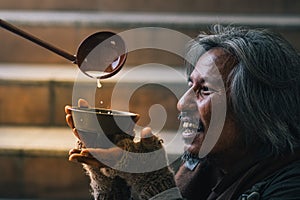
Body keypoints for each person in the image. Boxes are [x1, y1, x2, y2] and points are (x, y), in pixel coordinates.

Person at [65, 25, 300, 200]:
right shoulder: (204, 166)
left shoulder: (289, 186)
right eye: (190, 86)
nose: (181, 104)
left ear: (257, 107)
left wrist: (155, 183)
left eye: (204, 90)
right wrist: (111, 180)